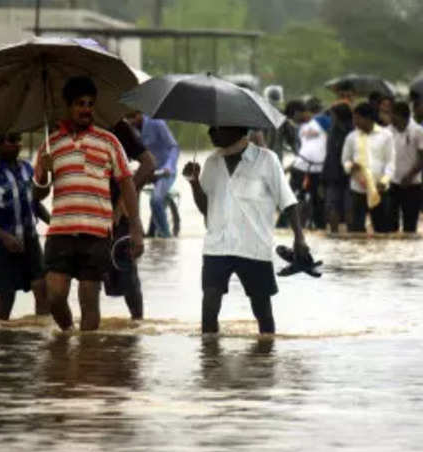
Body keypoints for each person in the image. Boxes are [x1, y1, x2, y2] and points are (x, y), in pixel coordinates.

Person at [34, 76, 144, 331]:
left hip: (96, 234)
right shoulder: (50, 146)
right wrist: (43, 175)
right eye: (79, 103)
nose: (85, 109)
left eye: (90, 104)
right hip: (60, 232)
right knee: (55, 297)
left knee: (89, 300)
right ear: (67, 106)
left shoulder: (109, 142)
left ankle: (87, 359)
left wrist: (136, 228)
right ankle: (68, 335)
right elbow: (38, 195)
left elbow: (127, 183)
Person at [183, 126, 310, 335]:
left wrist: (299, 238)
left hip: (254, 246)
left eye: (217, 128)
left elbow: (287, 201)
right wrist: (195, 184)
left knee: (262, 309)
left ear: (236, 129)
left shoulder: (267, 160)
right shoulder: (212, 162)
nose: (211, 133)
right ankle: (209, 363)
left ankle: (266, 357)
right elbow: (206, 208)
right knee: (209, 305)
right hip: (217, 246)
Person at [0, 131, 49, 320]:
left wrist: (55, 223)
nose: (19, 145)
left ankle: (42, 339)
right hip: (3, 244)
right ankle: (1, 343)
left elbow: (35, 203)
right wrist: (2, 236)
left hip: (30, 240)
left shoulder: (27, 169)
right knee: (6, 297)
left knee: (42, 289)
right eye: (13, 140)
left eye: (19, 140)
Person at [105, 118, 157, 320]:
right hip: (86, 211)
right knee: (88, 278)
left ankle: (137, 327)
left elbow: (149, 163)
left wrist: (122, 203)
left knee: (127, 274)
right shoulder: (71, 127)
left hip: (118, 213)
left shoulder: (119, 127)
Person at [341, 102, 396, 233]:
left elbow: (390, 162)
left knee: (382, 232)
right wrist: (351, 166)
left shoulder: (386, 135)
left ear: (369, 118)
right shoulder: (351, 137)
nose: (354, 121)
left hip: (379, 190)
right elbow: (345, 160)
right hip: (357, 189)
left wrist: (384, 181)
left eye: (357, 118)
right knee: (356, 232)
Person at [126, 111, 179, 238]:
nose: (130, 121)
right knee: (130, 193)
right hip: (148, 169)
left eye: (132, 117)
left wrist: (168, 166)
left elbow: (174, 147)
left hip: (165, 171)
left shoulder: (157, 124)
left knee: (155, 200)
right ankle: (137, 231)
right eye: (127, 118)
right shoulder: (130, 130)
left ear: (139, 114)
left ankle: (166, 238)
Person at [388, 101, 423, 233]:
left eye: (392, 115)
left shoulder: (419, 131)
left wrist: (409, 176)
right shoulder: (388, 131)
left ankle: (410, 253)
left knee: (410, 228)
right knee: (390, 226)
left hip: (412, 185)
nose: (390, 118)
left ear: (400, 116)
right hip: (391, 184)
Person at [290, 98, 328, 229]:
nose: (294, 120)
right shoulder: (300, 128)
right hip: (300, 168)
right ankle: (294, 226)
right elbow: (299, 148)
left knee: (319, 202)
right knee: (295, 199)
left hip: (319, 169)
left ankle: (320, 227)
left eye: (294, 116)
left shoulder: (321, 121)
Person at [321, 103, 354, 233]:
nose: (331, 118)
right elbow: (329, 155)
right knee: (332, 207)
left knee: (348, 208)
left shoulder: (352, 133)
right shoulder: (332, 130)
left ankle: (351, 234)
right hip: (332, 175)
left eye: (333, 115)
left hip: (347, 174)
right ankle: (335, 235)